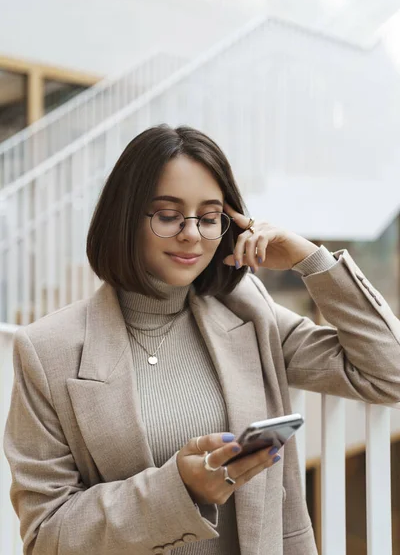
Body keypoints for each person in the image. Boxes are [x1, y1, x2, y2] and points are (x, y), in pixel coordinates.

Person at [4, 124, 400, 555]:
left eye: (210, 218)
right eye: (168, 215)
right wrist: (178, 488)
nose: (192, 233)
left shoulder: (247, 312)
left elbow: (388, 373)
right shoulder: (47, 350)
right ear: (125, 218)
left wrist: (310, 259)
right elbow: (45, 536)